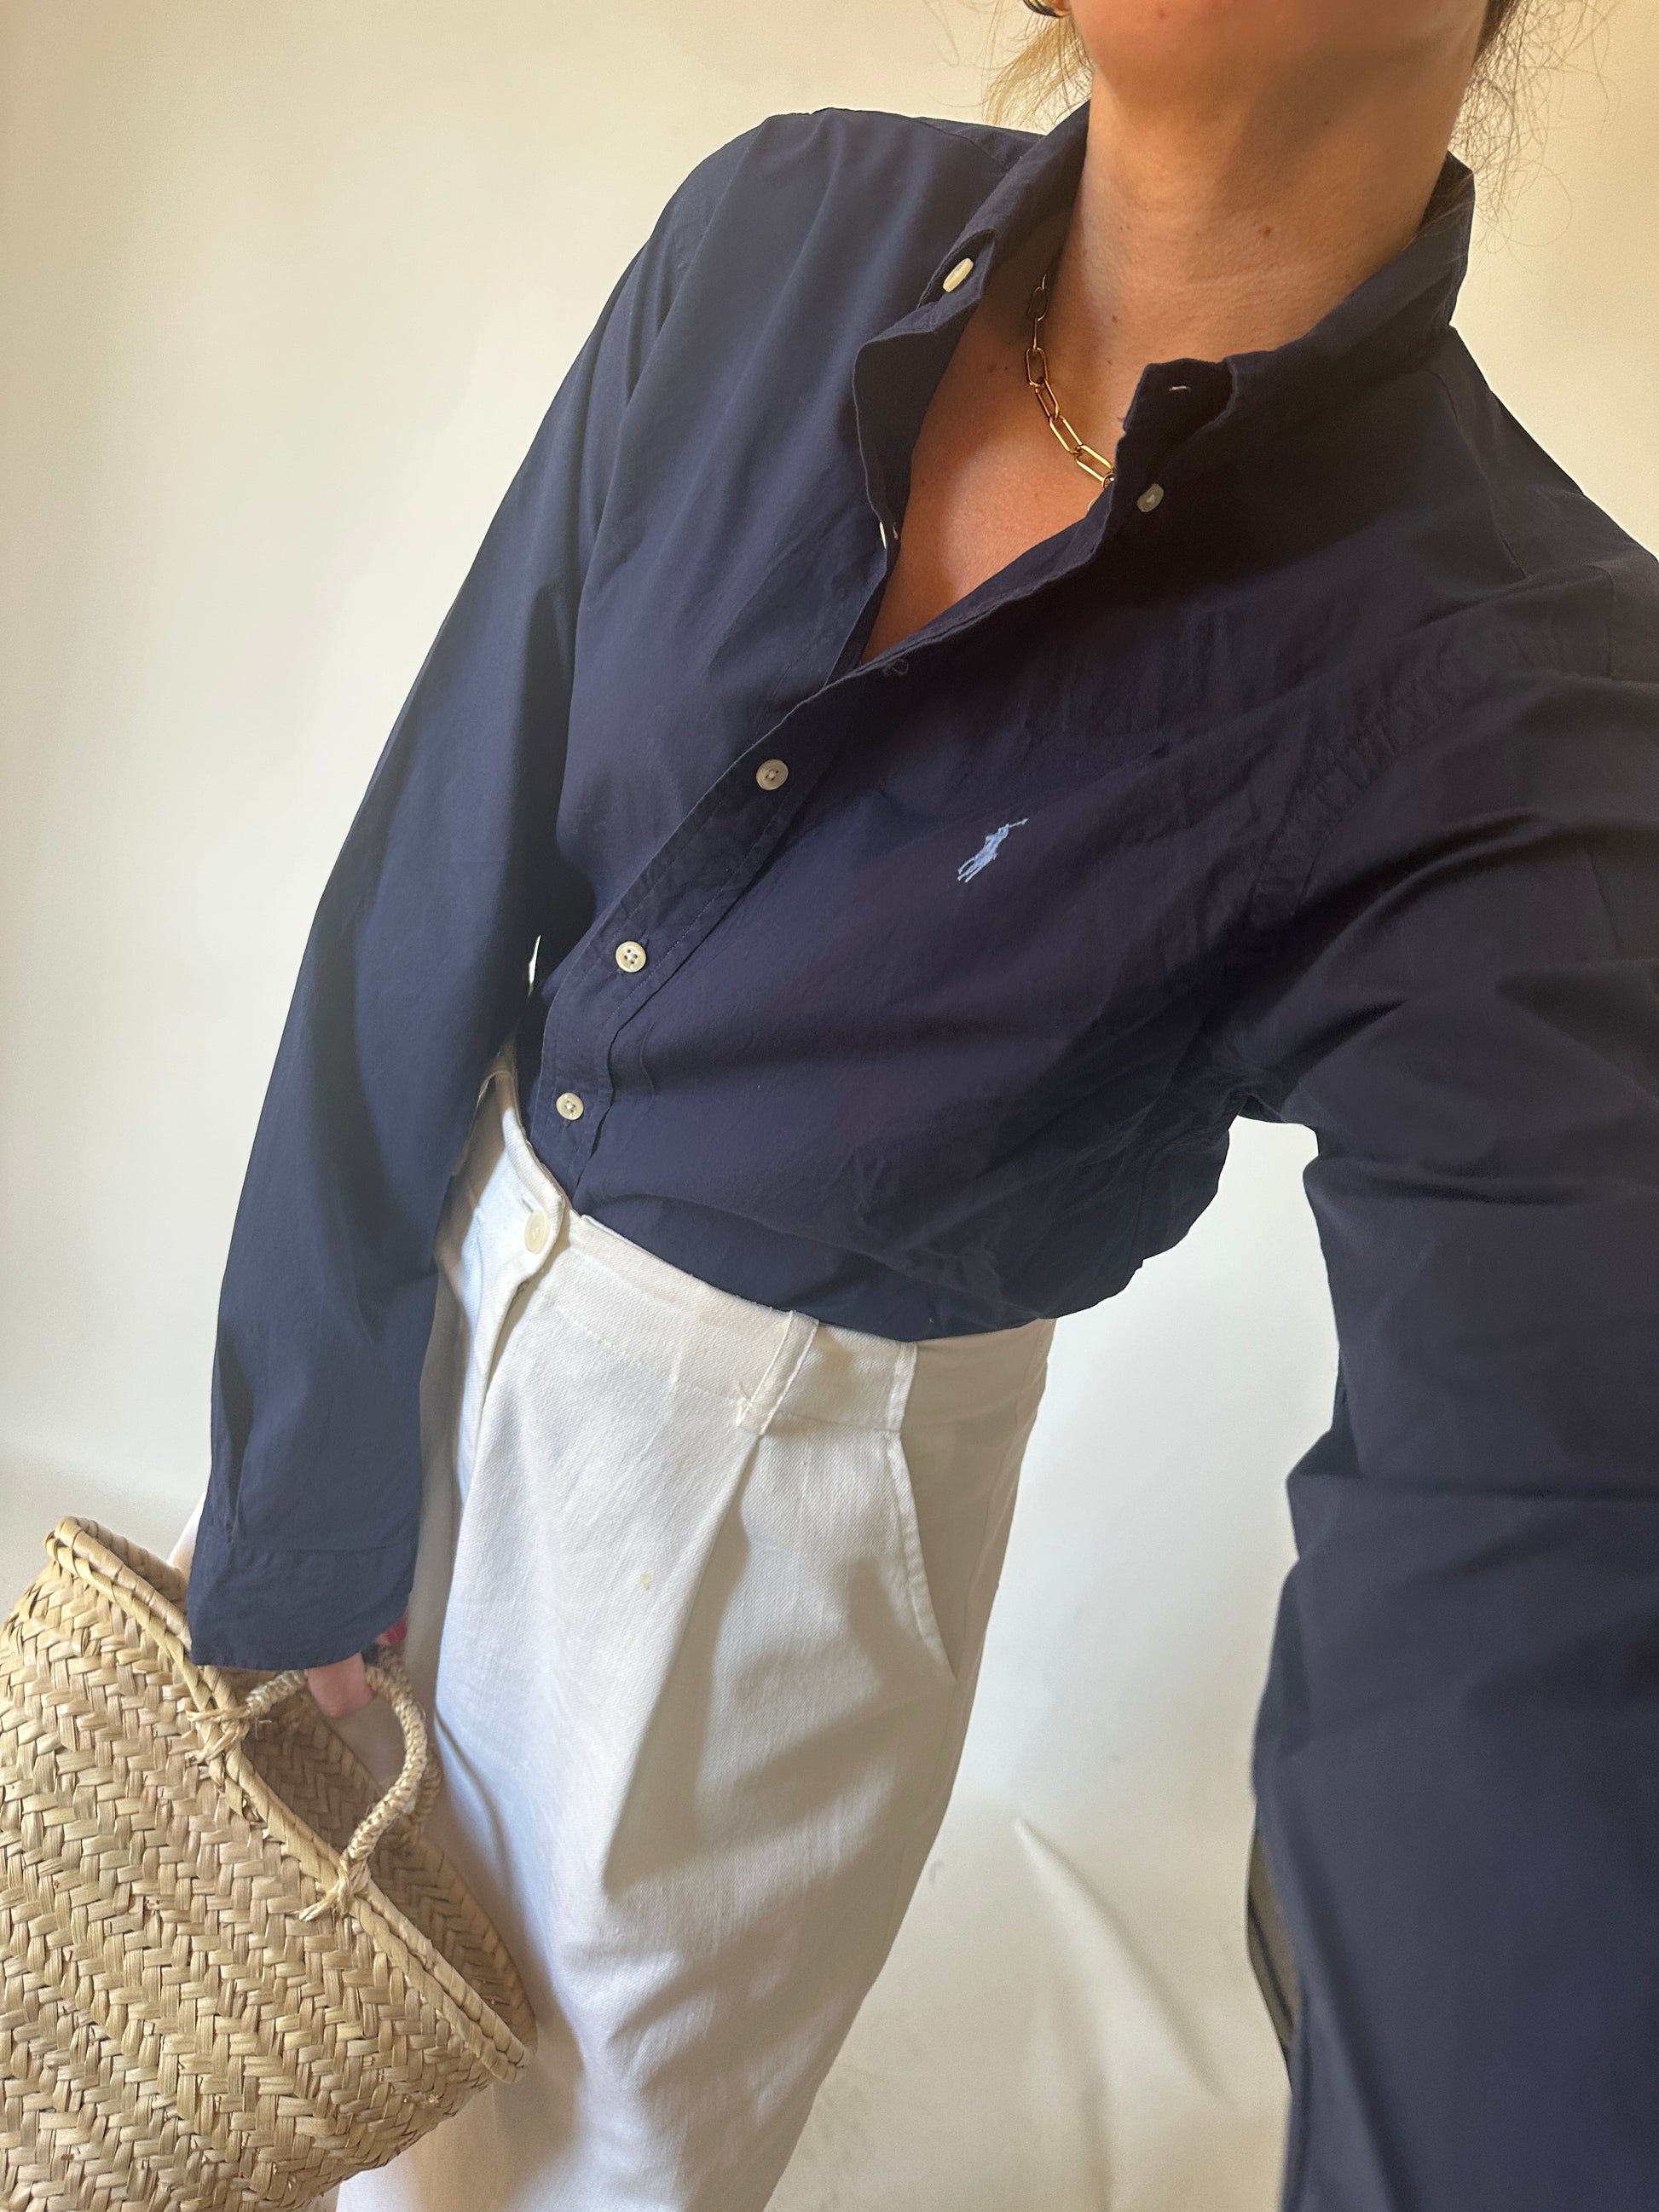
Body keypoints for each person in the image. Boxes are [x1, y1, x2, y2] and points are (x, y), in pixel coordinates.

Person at [171, 0, 1659, 2205]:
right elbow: (437, 865)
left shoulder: (1519, 700)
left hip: (770, 1550)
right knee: (284, 2059)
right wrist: (301, 1471)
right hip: (450, 1315)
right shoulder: (776, 233)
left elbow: (1543, 1584)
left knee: (588, 2159)